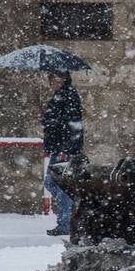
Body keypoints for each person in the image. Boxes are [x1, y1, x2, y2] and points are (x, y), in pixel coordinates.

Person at [41, 69, 84, 236]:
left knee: (61, 185)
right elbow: (55, 123)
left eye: (53, 78)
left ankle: (66, 222)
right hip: (58, 148)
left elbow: (71, 125)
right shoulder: (60, 96)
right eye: (50, 78)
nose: (51, 82)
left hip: (63, 150)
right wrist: (45, 118)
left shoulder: (68, 96)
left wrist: (66, 149)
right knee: (53, 184)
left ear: (63, 79)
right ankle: (69, 218)